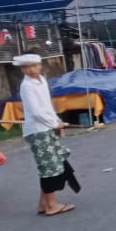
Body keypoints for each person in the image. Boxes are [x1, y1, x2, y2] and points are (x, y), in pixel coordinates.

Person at [16, 54, 80, 216]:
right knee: (49, 168)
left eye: (33, 65)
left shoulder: (42, 80)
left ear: (39, 65)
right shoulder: (27, 86)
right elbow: (37, 113)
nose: (30, 69)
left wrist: (56, 122)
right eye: (25, 67)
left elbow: (46, 106)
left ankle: (43, 204)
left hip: (47, 127)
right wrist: (54, 124)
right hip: (37, 130)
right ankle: (51, 205)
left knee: (53, 162)